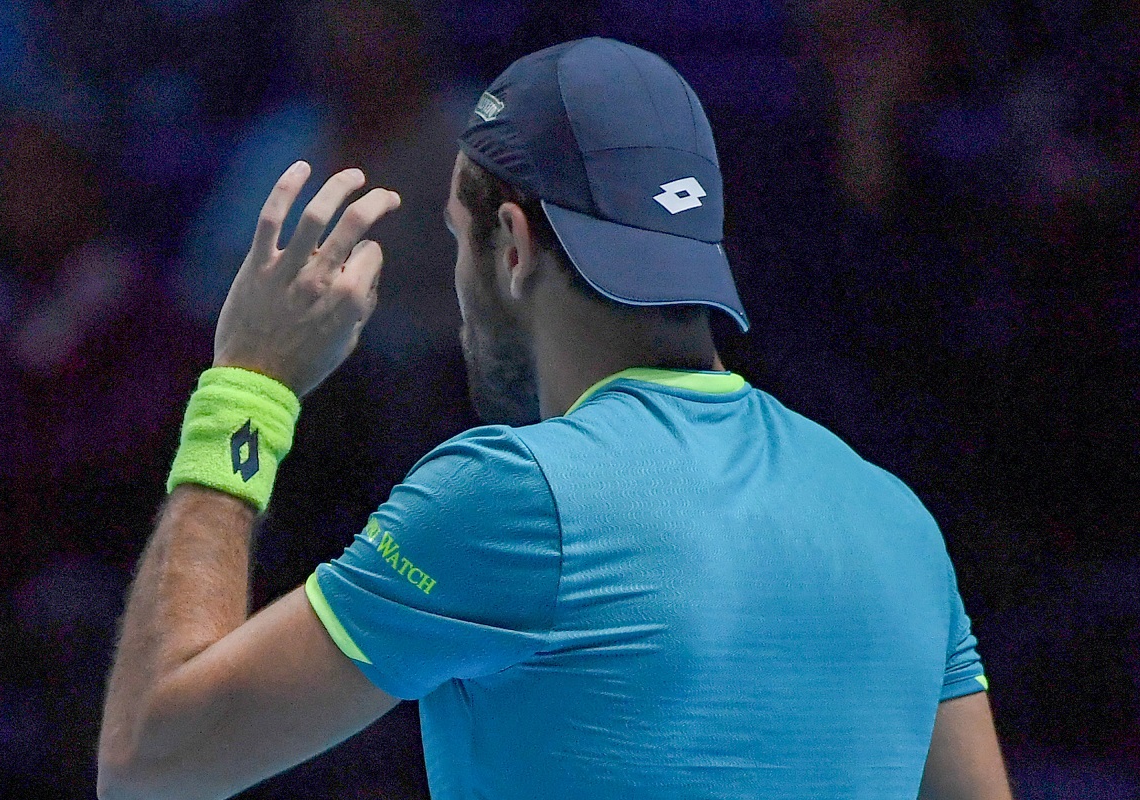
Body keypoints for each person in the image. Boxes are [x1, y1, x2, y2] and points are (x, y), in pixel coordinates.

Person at [97, 38, 1013, 800]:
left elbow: (151, 762)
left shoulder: (513, 495)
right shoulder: (898, 520)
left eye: (457, 239)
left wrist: (249, 384)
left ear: (512, 245)